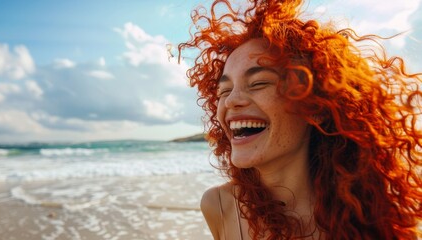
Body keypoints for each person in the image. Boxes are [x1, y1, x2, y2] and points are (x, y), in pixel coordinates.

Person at [178, 0, 422, 239]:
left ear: (316, 105)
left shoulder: (375, 215)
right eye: (224, 91)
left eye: (259, 83)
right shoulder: (219, 207)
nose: (231, 101)